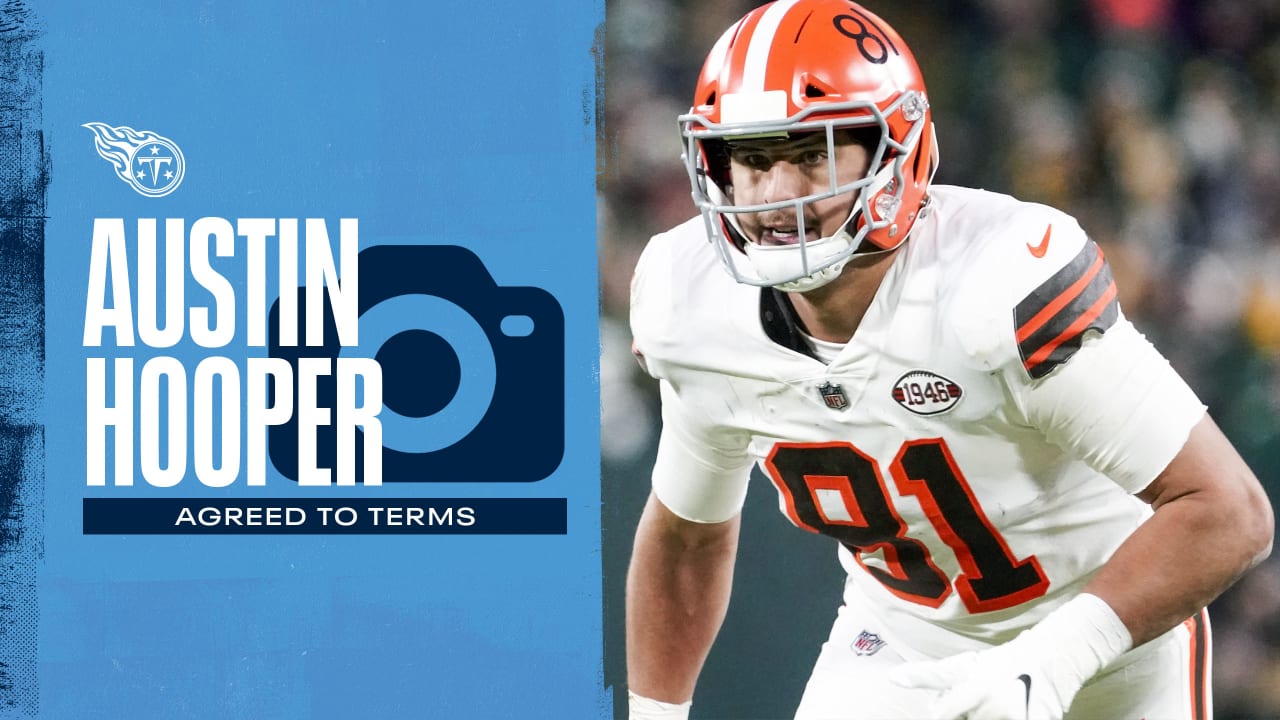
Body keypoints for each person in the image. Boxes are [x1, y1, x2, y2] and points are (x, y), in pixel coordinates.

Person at [623, 1, 1275, 718]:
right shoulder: (691, 300)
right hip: (904, 638)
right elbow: (686, 536)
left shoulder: (994, 282)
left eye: (811, 154)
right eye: (751, 158)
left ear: (893, 154)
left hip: (1110, 639)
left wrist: (1053, 659)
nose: (777, 196)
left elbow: (1228, 510)